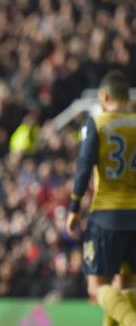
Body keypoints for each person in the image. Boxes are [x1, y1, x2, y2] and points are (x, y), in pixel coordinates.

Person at [66, 70, 136, 326]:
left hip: (108, 215)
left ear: (105, 96)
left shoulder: (98, 122)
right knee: (126, 286)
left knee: (97, 288)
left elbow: (84, 167)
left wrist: (74, 207)